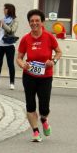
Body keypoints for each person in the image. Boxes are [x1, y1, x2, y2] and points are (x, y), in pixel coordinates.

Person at [16, 9, 62, 142]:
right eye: (31, 21)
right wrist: (22, 64)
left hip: (45, 77)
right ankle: (35, 131)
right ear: (29, 23)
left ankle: (44, 119)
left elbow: (59, 52)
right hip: (29, 76)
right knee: (30, 105)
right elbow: (19, 58)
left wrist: (53, 61)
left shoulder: (49, 37)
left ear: (42, 22)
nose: (34, 23)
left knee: (44, 107)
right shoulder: (25, 39)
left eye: (37, 21)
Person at [0, 3, 19, 89]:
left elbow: (12, 30)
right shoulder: (2, 20)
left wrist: (3, 24)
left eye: (5, 9)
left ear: (9, 10)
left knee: (10, 64)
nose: (3, 10)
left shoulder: (14, 20)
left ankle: (12, 83)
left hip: (9, 45)